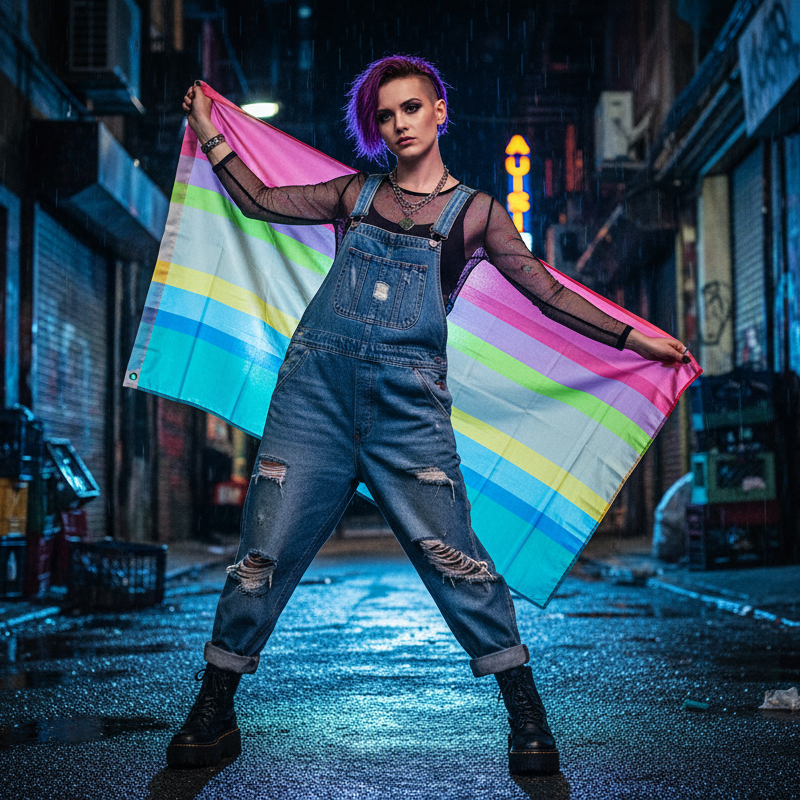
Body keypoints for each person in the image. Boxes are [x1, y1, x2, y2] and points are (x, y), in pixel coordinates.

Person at [168, 55, 688, 774]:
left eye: (411, 108)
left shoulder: (475, 213)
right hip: (312, 399)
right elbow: (258, 200)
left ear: (440, 111)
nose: (398, 124)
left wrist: (636, 336)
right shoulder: (353, 193)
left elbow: (548, 293)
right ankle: (214, 709)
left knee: (459, 562)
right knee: (264, 550)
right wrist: (211, 132)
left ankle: (525, 713)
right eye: (385, 115)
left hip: (408, 412)